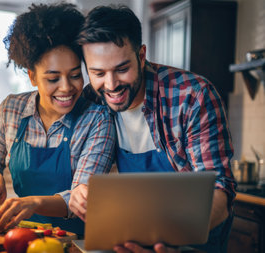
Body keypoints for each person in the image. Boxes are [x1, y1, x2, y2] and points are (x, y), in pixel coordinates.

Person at [69, 5, 236, 253]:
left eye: (122, 69)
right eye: (98, 73)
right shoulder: (93, 99)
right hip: (135, 240)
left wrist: (169, 239)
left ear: (142, 55)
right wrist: (80, 190)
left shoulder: (193, 96)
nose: (111, 85)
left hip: (195, 243)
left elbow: (220, 193)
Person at [0, 3, 115, 236]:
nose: (67, 88)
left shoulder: (97, 120)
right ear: (32, 77)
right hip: (24, 235)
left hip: (78, 241)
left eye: (74, 75)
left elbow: (81, 198)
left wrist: (32, 203)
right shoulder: (11, 109)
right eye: (53, 78)